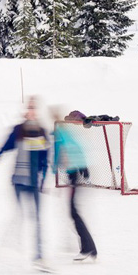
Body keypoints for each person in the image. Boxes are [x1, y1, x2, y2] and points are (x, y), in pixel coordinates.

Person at [0, 97, 50, 271]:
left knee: (36, 218)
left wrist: (43, 177)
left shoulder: (42, 131)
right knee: (19, 215)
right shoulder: (18, 130)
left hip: (34, 182)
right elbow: (3, 149)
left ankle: (39, 256)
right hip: (19, 181)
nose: (31, 111)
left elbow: (45, 158)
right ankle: (8, 246)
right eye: (29, 108)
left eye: (34, 108)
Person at [51, 107, 97, 262]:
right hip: (75, 173)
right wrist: (84, 170)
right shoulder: (65, 132)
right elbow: (77, 149)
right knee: (73, 212)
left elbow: (58, 152)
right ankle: (89, 248)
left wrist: (53, 170)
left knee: (73, 212)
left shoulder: (60, 132)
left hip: (73, 175)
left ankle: (88, 248)